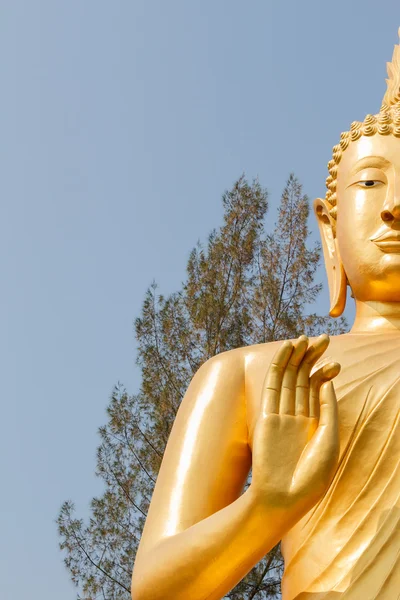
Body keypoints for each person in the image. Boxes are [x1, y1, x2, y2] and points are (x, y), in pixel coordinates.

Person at [131, 32, 400, 600]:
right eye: (371, 181)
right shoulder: (252, 374)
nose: (394, 202)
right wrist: (266, 505)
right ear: (329, 228)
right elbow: (156, 589)